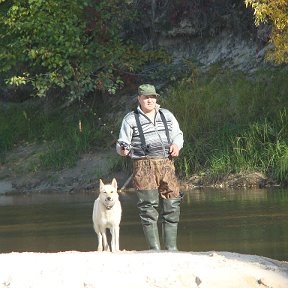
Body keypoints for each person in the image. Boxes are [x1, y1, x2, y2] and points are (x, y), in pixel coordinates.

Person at [116, 83, 184, 251]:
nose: (150, 100)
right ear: (139, 98)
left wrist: (176, 145)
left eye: (152, 97)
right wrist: (123, 150)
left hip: (166, 164)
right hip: (142, 166)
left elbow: (178, 134)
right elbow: (121, 145)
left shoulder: (167, 115)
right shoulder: (130, 119)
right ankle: (154, 249)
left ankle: (171, 248)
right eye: (146, 97)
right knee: (148, 207)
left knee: (172, 204)